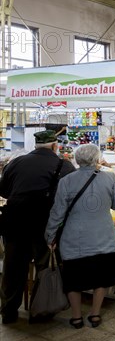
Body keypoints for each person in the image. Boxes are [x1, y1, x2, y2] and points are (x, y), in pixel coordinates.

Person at [45, 144, 115, 329]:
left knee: (74, 279)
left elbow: (57, 213)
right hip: (102, 237)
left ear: (76, 159)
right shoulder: (109, 177)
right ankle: (95, 314)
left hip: (74, 239)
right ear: (97, 159)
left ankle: (76, 316)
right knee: (101, 278)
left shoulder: (66, 181)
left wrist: (50, 236)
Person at [0, 130, 75, 324]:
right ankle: (40, 311)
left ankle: (9, 311)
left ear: (35, 145)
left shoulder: (16, 162)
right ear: (55, 146)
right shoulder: (63, 165)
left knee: (13, 267)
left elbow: (4, 190)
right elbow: (70, 196)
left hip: (14, 222)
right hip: (44, 224)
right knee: (45, 267)